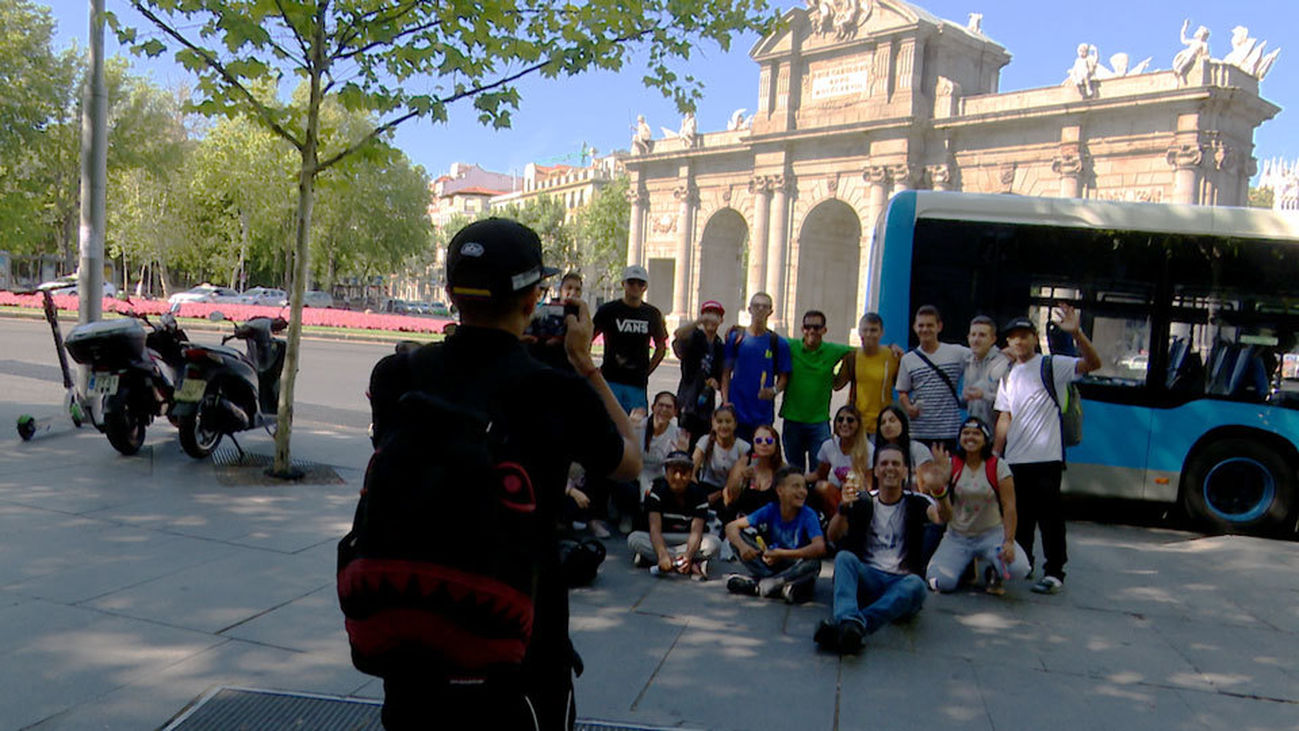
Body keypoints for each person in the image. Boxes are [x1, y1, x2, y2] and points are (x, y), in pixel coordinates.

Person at [375, 217, 641, 729]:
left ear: (451, 293)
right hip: (522, 648)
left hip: (415, 641)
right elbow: (629, 460)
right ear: (531, 300)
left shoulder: (397, 376)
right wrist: (584, 363)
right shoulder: (555, 392)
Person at [993, 305, 1101, 596]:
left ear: (1033, 338)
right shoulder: (1008, 374)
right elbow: (1005, 416)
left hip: (1047, 458)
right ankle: (1023, 564)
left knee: (1050, 518)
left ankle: (1054, 571)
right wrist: (995, 454)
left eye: (1024, 336)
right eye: (1013, 338)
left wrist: (1076, 333)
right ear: (1008, 343)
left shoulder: (1052, 365)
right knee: (1020, 515)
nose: (1019, 342)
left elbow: (1093, 363)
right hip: (1015, 459)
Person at [814, 443, 947, 655]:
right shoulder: (865, 499)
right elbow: (832, 537)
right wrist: (843, 509)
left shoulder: (918, 502)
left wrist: (940, 490)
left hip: (901, 583)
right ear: (875, 470)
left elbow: (943, 519)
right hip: (870, 577)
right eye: (884, 463)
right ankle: (852, 623)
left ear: (905, 470)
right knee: (844, 558)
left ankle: (852, 625)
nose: (890, 468)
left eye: (896, 464)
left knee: (916, 585)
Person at [925, 417, 1030, 594]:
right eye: (966, 433)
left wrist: (1009, 541)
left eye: (976, 433)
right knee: (939, 582)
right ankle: (966, 566)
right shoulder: (952, 464)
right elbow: (943, 515)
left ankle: (995, 571)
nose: (970, 437)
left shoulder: (998, 466)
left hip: (991, 534)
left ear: (985, 439)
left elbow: (1009, 506)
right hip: (957, 536)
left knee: (1019, 569)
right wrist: (937, 487)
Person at [724, 466, 827, 604]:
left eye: (804, 487)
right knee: (737, 538)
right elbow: (731, 526)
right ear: (780, 491)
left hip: (795, 563)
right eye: (796, 486)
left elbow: (820, 547)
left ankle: (761, 585)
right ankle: (780, 587)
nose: (802, 491)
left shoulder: (808, 514)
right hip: (771, 562)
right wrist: (743, 547)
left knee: (813, 564)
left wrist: (782, 554)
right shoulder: (771, 509)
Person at [627, 450, 721, 579]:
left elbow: (696, 532)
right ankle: (682, 562)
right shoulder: (656, 491)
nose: (678, 477)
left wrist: (688, 555)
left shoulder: (699, 494)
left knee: (714, 544)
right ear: (666, 473)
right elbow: (654, 529)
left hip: (686, 538)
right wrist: (662, 554)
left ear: (690, 474)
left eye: (683, 473)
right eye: (674, 472)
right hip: (662, 537)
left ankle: (658, 560)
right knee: (634, 539)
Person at [780, 309, 854, 472]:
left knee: (820, 472)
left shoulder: (833, 350)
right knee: (794, 471)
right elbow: (766, 337)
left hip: (819, 423)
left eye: (817, 327)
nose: (812, 331)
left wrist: (891, 348)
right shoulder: (790, 346)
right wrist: (737, 330)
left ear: (824, 330)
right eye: (807, 327)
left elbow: (858, 352)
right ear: (802, 329)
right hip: (792, 421)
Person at [592, 264, 668, 414]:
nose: (635, 286)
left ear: (645, 287)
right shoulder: (608, 310)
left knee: (636, 429)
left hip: (637, 385)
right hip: (610, 381)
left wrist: (646, 371)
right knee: (608, 427)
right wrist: (591, 370)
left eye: (640, 283)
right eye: (631, 282)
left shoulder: (652, 314)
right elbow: (587, 339)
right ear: (623, 284)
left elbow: (661, 347)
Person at [897, 305, 970, 453]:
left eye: (930, 325)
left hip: (949, 432)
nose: (925, 330)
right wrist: (908, 408)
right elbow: (902, 391)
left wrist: (1005, 354)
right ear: (914, 327)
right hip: (918, 432)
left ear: (939, 327)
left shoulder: (956, 353)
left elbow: (980, 355)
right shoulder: (908, 359)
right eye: (921, 325)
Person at [720, 292, 792, 443]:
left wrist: (774, 391)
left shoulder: (778, 343)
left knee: (760, 460)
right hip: (736, 414)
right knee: (737, 460)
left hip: (762, 415)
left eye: (764, 306)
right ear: (749, 309)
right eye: (756, 306)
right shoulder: (736, 338)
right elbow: (726, 373)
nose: (760, 309)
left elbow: (784, 377)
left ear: (770, 311)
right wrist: (726, 402)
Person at [673, 300, 727, 448]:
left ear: (721, 320)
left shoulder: (719, 345)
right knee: (684, 442)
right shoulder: (693, 336)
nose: (711, 319)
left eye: (715, 315)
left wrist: (715, 382)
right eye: (708, 314)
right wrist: (698, 321)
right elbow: (678, 334)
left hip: (706, 402)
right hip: (687, 399)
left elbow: (721, 374)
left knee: (702, 444)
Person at [845, 312, 902, 435]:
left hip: (883, 425)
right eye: (865, 330)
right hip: (858, 425)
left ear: (881, 333)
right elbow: (837, 384)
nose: (869, 334)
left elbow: (902, 384)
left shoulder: (891, 355)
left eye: (873, 330)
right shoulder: (853, 356)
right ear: (859, 332)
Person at [810, 404, 871, 517]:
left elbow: (869, 485)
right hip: (836, 494)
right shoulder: (828, 446)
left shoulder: (869, 448)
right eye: (840, 419)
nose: (844, 423)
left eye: (850, 420)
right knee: (821, 487)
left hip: (859, 494)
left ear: (858, 425)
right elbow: (820, 474)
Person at [632, 392, 690, 504]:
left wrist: (682, 453)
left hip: (661, 481)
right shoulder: (638, 426)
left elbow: (677, 470)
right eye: (660, 405)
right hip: (635, 476)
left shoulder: (678, 435)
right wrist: (628, 428)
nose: (664, 409)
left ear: (675, 412)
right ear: (653, 407)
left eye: (668, 407)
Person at [692, 405, 750, 511]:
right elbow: (691, 470)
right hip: (707, 488)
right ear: (713, 424)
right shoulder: (705, 441)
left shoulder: (743, 447)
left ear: (735, 424)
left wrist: (722, 494)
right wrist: (698, 496)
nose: (724, 426)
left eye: (728, 422)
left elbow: (742, 480)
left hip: (731, 491)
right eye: (719, 421)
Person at [722, 423, 783, 524]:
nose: (764, 444)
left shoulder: (782, 469)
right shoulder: (744, 463)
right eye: (758, 441)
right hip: (743, 519)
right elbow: (730, 496)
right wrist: (742, 479)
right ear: (753, 444)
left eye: (769, 441)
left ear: (776, 445)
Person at [963, 315, 1010, 427]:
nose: (976, 340)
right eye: (973, 335)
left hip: (995, 435)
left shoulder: (1004, 363)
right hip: (974, 432)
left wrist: (983, 395)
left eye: (982, 335)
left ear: (993, 339)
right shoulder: (968, 361)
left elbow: (1010, 402)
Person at [868, 404, 934, 479]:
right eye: (883, 422)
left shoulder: (918, 449)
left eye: (892, 420)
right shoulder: (876, 453)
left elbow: (926, 484)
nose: (887, 425)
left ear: (902, 423)